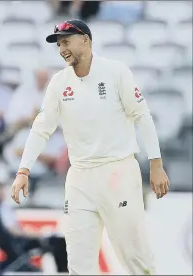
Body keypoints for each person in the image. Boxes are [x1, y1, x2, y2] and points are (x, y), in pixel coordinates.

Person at [10, 19, 170, 275]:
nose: (62, 49)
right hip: (79, 178)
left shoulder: (116, 72)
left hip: (117, 172)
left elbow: (142, 115)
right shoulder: (59, 83)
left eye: (66, 42)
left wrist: (156, 164)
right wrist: (23, 171)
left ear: (86, 39)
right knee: (79, 263)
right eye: (59, 44)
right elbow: (41, 128)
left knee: (135, 258)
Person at [0, 182, 68, 274]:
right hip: (18, 242)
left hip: (15, 241)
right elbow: (14, 231)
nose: (4, 192)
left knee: (55, 241)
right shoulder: (2, 209)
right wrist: (37, 234)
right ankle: (63, 272)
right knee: (57, 242)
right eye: (2, 190)